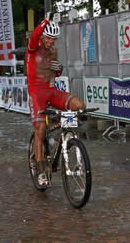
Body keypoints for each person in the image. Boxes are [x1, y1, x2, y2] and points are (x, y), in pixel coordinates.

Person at [26, 13, 85, 186]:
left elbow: (55, 71)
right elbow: (34, 35)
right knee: (41, 127)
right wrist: (45, 20)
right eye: (49, 38)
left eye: (54, 39)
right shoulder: (33, 47)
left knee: (79, 106)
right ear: (43, 36)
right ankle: (40, 169)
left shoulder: (53, 50)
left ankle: (64, 134)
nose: (51, 41)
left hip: (51, 90)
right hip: (36, 93)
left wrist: (59, 69)